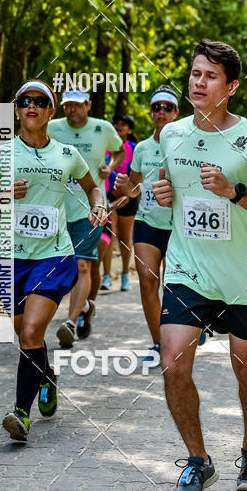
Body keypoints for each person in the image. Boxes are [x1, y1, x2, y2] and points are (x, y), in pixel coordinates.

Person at [152, 38, 247, 491]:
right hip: (187, 268)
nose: (199, 82)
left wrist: (236, 193)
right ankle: (198, 460)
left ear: (231, 87)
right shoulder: (172, 134)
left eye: (210, 76)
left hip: (242, 274)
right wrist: (165, 195)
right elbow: (171, 189)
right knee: (172, 363)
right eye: (195, 73)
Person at [0, 81, 108, 441]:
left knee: (31, 331)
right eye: (25, 101)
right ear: (17, 110)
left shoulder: (67, 154)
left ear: (51, 111)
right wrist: (1, 194)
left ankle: (20, 413)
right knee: (25, 335)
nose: (32, 105)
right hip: (8, 258)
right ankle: (47, 375)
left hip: (53, 255)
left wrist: (98, 204)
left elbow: (92, 186)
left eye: (40, 101)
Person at [48, 90, 124, 347]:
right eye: (68, 105)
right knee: (63, 267)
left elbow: (119, 151)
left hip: (91, 208)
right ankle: (86, 307)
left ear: (88, 105)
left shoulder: (103, 129)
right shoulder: (52, 128)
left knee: (83, 265)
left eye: (78, 105)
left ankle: (70, 322)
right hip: (58, 209)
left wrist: (109, 167)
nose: (72, 110)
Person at [113, 87, 180, 359]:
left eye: (167, 107)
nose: (161, 112)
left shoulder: (188, 144)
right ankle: (159, 344)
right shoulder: (141, 148)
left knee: (174, 288)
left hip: (178, 228)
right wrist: (124, 186)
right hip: (147, 223)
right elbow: (134, 189)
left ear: (176, 113)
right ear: (151, 113)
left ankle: (188, 327)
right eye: (156, 107)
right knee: (148, 283)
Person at [103, 113, 138, 291]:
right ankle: (106, 276)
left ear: (129, 129)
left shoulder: (134, 148)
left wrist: (128, 193)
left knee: (124, 238)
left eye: (123, 124)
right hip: (109, 196)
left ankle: (125, 275)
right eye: (116, 124)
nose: (119, 127)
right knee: (109, 235)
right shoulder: (105, 147)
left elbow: (137, 175)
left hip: (129, 197)